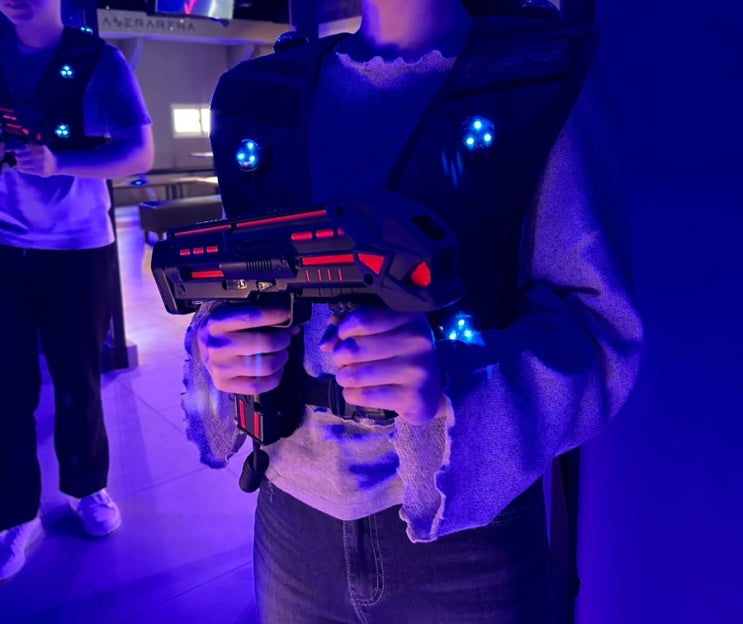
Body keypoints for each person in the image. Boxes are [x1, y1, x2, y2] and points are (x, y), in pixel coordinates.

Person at [180, 0, 643, 621]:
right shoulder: (258, 96)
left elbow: (598, 329)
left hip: (467, 532)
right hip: (290, 516)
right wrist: (219, 353)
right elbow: (236, 280)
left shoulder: (542, 78)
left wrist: (454, 380)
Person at [0, 0, 153, 582]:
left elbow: (140, 152)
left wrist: (58, 160)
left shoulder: (100, 59)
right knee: (6, 387)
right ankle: (16, 512)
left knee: (78, 378)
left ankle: (87, 487)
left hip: (77, 245)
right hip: (4, 246)